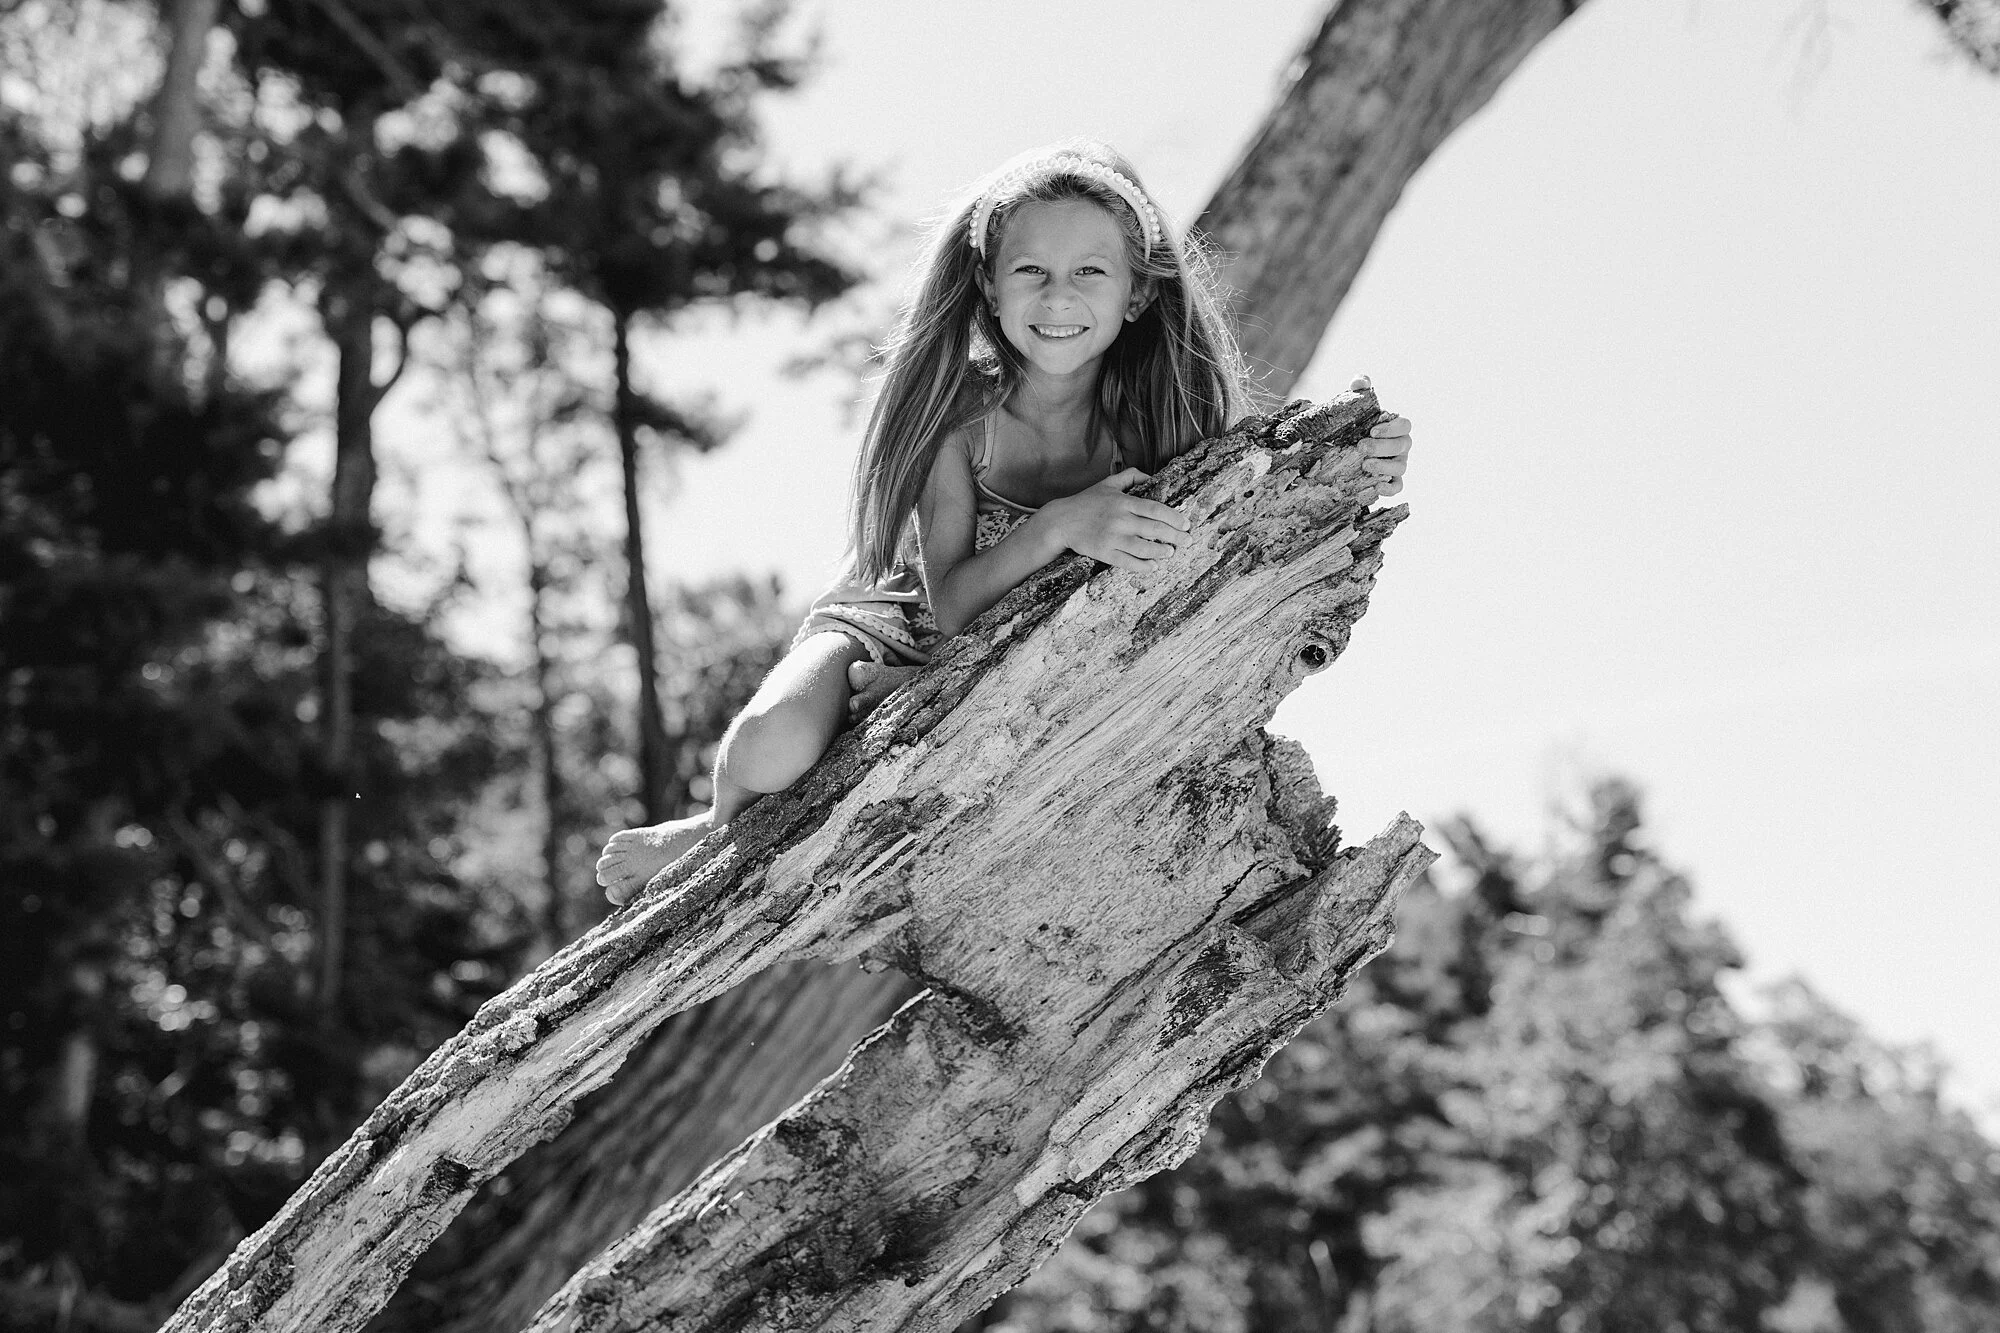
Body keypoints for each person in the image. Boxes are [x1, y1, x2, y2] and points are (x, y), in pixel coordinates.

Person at [596, 141, 1412, 904]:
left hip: (1034, 657)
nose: (1058, 297)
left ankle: (911, 708)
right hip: (897, 622)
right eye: (1031, 271)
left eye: (1090, 271)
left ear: (1137, 293)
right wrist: (1059, 523)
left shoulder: (1160, 422)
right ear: (990, 287)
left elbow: (1262, 497)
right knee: (769, 746)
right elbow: (949, 602)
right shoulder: (960, 414)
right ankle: (714, 827)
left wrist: (1359, 462)